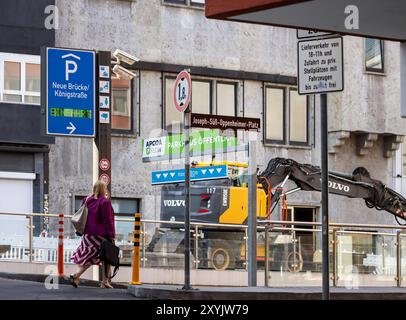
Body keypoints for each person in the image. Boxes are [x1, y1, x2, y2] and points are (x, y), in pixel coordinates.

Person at [70, 180, 115, 288]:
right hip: (101, 235)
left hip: (88, 234)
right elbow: (108, 220)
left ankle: (76, 275)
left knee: (89, 257)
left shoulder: (87, 200)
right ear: (104, 189)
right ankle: (104, 282)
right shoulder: (105, 202)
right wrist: (111, 234)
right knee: (107, 257)